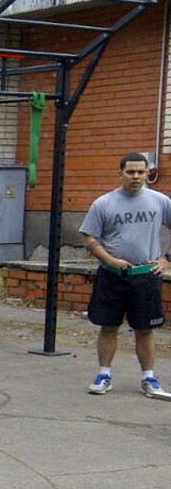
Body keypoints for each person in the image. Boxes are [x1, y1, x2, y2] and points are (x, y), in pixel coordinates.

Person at [79, 152, 171, 397]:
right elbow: (89, 237)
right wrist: (110, 260)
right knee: (109, 326)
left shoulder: (160, 201)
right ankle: (104, 375)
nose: (136, 176)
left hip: (145, 276)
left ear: (147, 174)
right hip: (112, 276)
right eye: (130, 172)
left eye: (141, 172)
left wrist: (166, 259)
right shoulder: (104, 203)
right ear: (120, 173)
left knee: (145, 329)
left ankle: (149, 380)